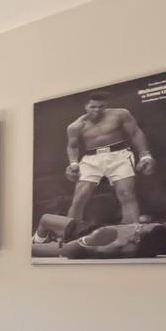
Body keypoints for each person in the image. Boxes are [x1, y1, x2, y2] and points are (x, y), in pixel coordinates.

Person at [35, 92, 155, 243]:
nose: (97, 110)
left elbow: (135, 133)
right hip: (91, 158)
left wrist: (145, 155)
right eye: (93, 107)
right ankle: (69, 238)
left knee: (126, 194)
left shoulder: (120, 114)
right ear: (86, 106)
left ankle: (133, 235)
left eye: (101, 107)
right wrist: (73, 164)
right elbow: (72, 147)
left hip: (119, 155)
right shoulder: (76, 126)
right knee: (79, 198)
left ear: (106, 106)